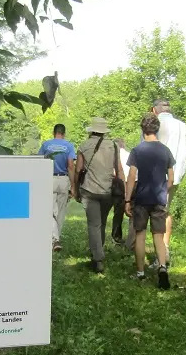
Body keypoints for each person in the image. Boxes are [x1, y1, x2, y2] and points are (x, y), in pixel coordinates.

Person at [125, 113, 175, 289]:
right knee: (159, 236)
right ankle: (162, 267)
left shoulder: (138, 151)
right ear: (157, 129)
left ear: (142, 129)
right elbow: (171, 178)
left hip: (141, 198)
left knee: (140, 234)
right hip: (159, 198)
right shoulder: (165, 150)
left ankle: (140, 273)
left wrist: (127, 200)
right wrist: (163, 190)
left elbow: (131, 176)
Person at [75, 117, 124, 273]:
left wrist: (74, 188)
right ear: (104, 132)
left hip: (89, 190)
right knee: (101, 223)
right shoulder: (114, 146)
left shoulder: (84, 146)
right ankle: (98, 253)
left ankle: (97, 258)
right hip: (108, 191)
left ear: (92, 131)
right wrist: (123, 190)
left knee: (94, 224)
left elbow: (78, 170)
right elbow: (120, 170)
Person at [150, 99, 186, 266]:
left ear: (155, 110)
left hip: (154, 177)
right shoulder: (181, 125)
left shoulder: (152, 124)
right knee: (165, 211)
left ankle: (160, 257)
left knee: (155, 214)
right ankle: (165, 249)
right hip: (174, 176)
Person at [38, 123, 76, 252]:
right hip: (63, 179)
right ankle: (56, 238)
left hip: (50, 179)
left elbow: (40, 161)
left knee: (50, 211)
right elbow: (71, 165)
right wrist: (73, 185)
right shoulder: (69, 146)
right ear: (64, 134)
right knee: (61, 211)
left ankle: (55, 239)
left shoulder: (46, 145)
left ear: (53, 133)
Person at [110, 137, 132, 246]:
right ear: (123, 145)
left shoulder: (110, 154)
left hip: (110, 182)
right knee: (119, 212)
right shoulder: (129, 155)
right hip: (124, 184)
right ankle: (117, 236)